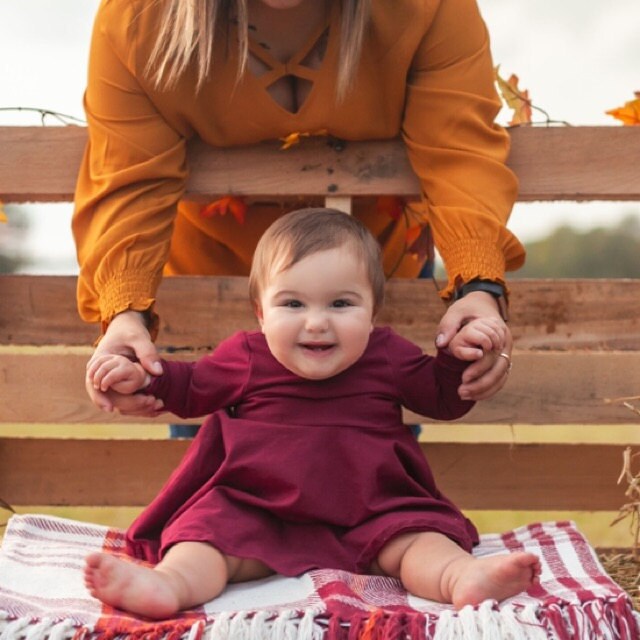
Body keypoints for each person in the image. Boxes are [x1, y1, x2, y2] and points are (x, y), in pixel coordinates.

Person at [73, 0, 525, 419]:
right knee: (221, 482)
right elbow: (130, 179)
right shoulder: (138, 21)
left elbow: (458, 153)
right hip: (203, 289)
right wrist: (125, 312)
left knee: (371, 465)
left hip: (367, 293)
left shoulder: (427, 9)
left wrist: (477, 286)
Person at [83, 209, 539, 619]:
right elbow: (187, 387)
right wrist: (139, 377)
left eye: (340, 304)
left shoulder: (386, 355)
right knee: (206, 535)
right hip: (257, 509)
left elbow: (443, 398)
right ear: (262, 314)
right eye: (293, 304)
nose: (316, 321)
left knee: (420, 537)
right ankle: (168, 584)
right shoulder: (247, 355)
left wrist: (461, 355)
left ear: (372, 311)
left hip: (374, 509)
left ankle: (461, 578)